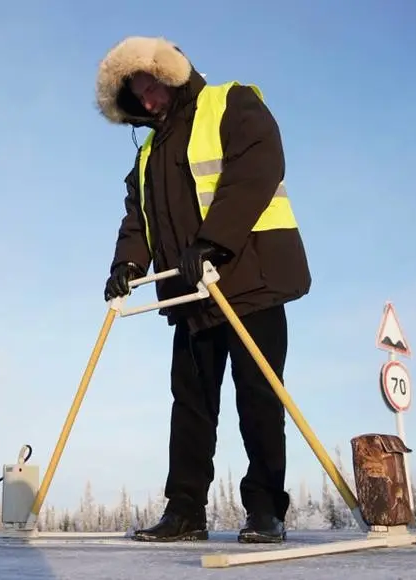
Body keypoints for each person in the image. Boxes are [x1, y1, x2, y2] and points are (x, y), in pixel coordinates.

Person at [96, 36, 311, 544]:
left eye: (151, 86)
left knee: (259, 397)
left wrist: (213, 241)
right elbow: (137, 218)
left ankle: (264, 511)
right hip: (191, 296)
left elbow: (258, 169)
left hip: (250, 281)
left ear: (169, 73)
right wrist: (127, 263)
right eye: (138, 97)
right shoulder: (147, 155)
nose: (148, 101)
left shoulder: (231, 103)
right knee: (190, 403)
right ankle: (185, 512)